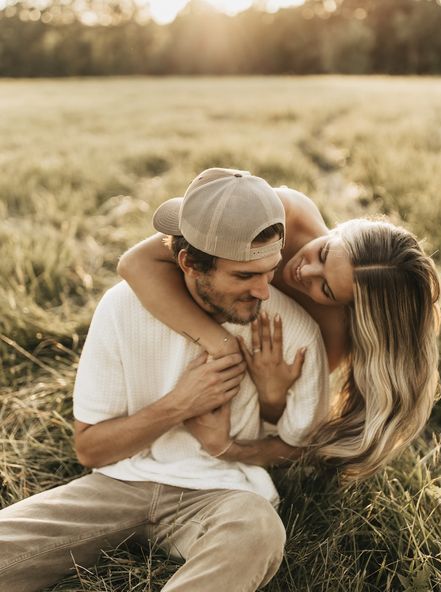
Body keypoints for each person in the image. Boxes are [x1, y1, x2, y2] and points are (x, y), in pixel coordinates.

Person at [0, 169, 330, 592]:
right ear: (190, 263)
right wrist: (179, 404)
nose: (264, 292)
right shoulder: (121, 308)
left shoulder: (293, 330)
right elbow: (90, 449)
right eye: (244, 276)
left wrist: (247, 425)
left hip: (223, 494)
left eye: (269, 271)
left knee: (259, 531)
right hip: (119, 484)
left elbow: (301, 452)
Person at [118, 169, 441, 481]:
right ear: (340, 231)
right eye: (324, 254)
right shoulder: (283, 210)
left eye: (325, 289)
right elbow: (136, 262)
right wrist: (222, 345)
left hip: (226, 411)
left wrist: (271, 398)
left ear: (350, 307)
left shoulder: (331, 331)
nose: (305, 272)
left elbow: (292, 429)